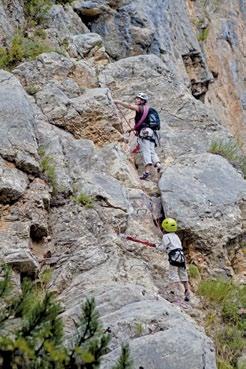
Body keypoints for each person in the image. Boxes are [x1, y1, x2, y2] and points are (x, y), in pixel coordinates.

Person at [114, 93, 161, 180]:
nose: (136, 100)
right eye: (136, 98)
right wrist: (132, 129)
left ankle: (147, 172)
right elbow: (142, 123)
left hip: (144, 132)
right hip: (150, 132)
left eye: (139, 99)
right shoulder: (147, 110)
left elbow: (129, 106)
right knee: (151, 151)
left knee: (146, 151)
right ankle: (158, 164)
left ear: (143, 101)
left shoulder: (141, 108)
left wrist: (118, 102)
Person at [156, 217, 191, 302]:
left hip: (174, 256)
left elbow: (163, 247)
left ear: (165, 228)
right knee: (183, 274)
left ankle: (173, 294)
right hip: (181, 256)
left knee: (173, 275)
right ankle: (187, 292)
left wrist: (157, 246)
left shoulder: (166, 236)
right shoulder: (176, 236)